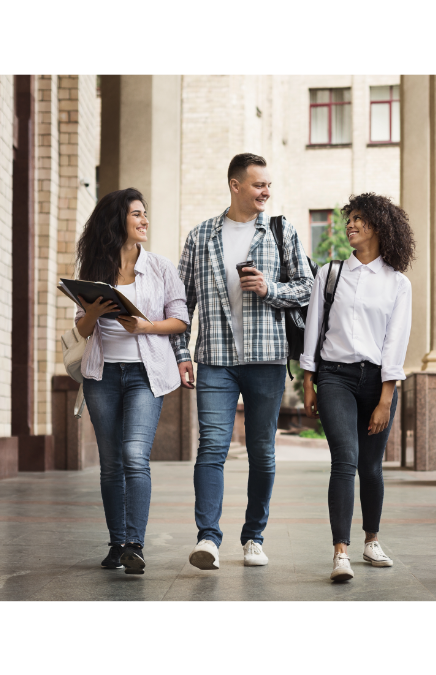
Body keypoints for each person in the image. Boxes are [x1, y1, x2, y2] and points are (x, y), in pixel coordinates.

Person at [171, 153, 314, 570]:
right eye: (258, 185)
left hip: (266, 358)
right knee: (211, 447)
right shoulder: (200, 237)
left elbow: (307, 287)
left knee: (261, 451)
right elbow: (182, 303)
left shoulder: (279, 231)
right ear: (235, 185)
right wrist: (182, 355)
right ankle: (208, 538)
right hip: (214, 359)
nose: (266, 191)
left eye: (268, 185)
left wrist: (270, 289)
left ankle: (254, 536)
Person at [75, 188, 189, 575]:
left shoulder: (160, 267)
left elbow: (181, 320)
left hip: (145, 373)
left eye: (145, 214)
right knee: (110, 464)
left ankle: (135, 544)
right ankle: (116, 542)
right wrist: (91, 312)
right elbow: (83, 330)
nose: (144, 220)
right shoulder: (96, 270)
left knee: (134, 456)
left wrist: (146, 326)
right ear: (117, 221)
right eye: (136, 214)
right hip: (102, 375)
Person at [301, 193, 414, 582]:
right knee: (345, 460)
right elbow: (313, 330)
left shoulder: (397, 283)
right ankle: (341, 552)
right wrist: (309, 382)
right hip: (335, 376)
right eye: (349, 218)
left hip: (378, 381)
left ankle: (372, 541)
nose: (350, 224)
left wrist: (386, 398)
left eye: (360, 219)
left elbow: (395, 343)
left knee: (370, 465)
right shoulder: (330, 274)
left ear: (381, 227)